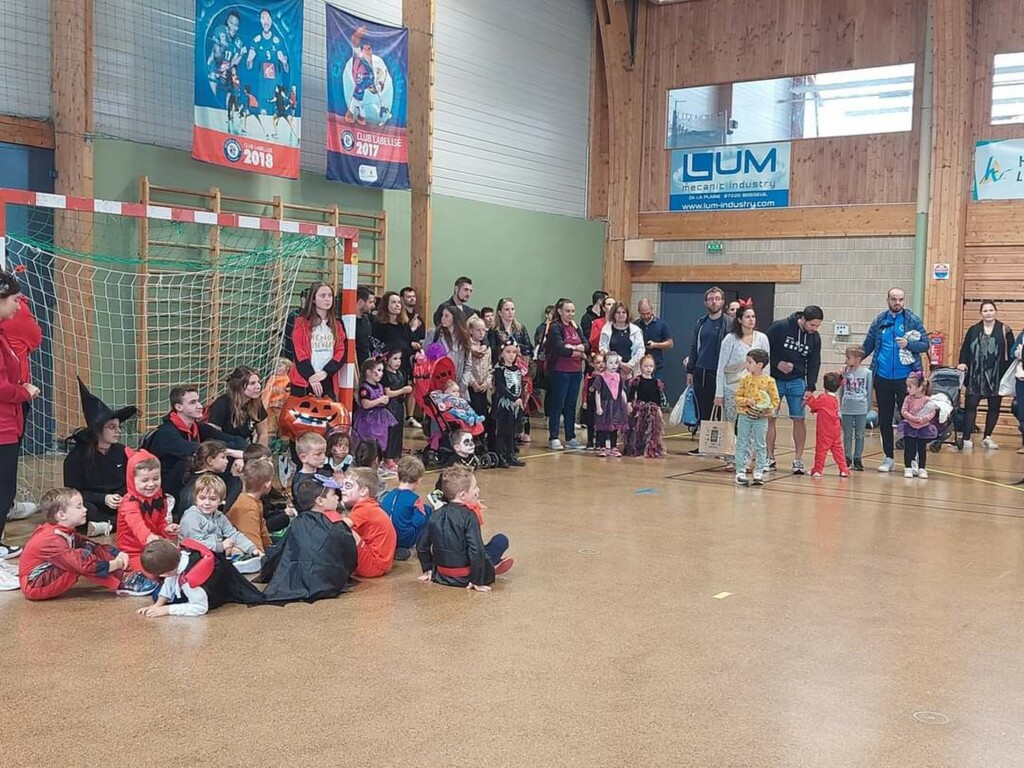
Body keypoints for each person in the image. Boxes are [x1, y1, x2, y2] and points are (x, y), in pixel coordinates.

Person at [14, 488, 158, 598]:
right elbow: (83, 565)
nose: (85, 509)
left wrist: (118, 554)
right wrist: (115, 564)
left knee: (87, 548)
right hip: (34, 584)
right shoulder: (51, 539)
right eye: (79, 507)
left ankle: (125, 575)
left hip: (46, 573)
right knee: (81, 561)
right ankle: (122, 584)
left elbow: (91, 545)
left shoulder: (61, 530)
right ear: (62, 515)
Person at [257, 474, 358, 604]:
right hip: (328, 583)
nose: (337, 497)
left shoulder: (297, 522)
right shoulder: (336, 524)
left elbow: (283, 552)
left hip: (296, 581)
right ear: (320, 501)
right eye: (333, 494)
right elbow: (350, 557)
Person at [862, 288, 930, 473]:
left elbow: (925, 344)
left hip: (907, 380)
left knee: (910, 419)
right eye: (893, 299)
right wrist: (853, 362)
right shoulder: (879, 321)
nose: (897, 302)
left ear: (904, 301)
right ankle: (888, 457)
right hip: (883, 377)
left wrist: (909, 344)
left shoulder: (912, 320)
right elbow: (867, 345)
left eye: (900, 299)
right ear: (888, 300)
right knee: (884, 418)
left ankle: (912, 459)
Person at [0, 268, 41, 560]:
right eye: (15, 300)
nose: (19, 306)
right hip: (3, 426)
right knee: (3, 489)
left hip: (7, 421)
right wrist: (24, 391)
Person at [63, 378, 138, 536]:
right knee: (82, 510)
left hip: (119, 502)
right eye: (112, 427)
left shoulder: (122, 452)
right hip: (94, 503)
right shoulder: (76, 457)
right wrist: (104, 498)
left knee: (139, 502)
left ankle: (108, 525)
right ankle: (115, 524)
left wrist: (120, 497)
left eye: (119, 427)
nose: (118, 431)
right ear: (98, 431)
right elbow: (73, 492)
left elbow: (130, 481)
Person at [416, 466, 509, 590]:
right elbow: (476, 550)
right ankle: (492, 565)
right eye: (474, 487)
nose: (478, 489)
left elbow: (421, 546)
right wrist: (477, 580)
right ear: (463, 495)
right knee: (500, 540)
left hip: (441, 575)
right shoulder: (469, 516)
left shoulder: (435, 514)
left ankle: (492, 565)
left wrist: (428, 569)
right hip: (465, 577)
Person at [144, 386, 244, 500]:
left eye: (198, 401)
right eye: (193, 402)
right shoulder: (166, 432)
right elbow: (192, 449)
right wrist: (230, 452)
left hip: (189, 481)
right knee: (194, 459)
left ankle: (223, 502)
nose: (200, 406)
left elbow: (238, 440)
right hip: (167, 488)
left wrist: (239, 457)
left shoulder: (198, 427)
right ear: (179, 407)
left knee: (225, 462)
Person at [137, 537, 265, 618]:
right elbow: (171, 579)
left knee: (157, 594)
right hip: (218, 578)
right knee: (159, 595)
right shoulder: (184, 553)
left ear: (165, 574)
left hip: (210, 594)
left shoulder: (191, 583)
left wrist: (167, 609)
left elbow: (200, 608)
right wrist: (158, 605)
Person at [765, 306, 824, 474]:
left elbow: (814, 363)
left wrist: (810, 387)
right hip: (775, 380)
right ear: (803, 319)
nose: (814, 329)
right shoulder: (780, 327)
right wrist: (777, 363)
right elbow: (763, 349)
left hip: (797, 381)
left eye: (817, 326)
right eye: (812, 325)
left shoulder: (814, 337)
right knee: (771, 418)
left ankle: (798, 459)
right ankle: (769, 457)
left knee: (799, 419)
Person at [714, 303, 770, 468]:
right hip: (733, 387)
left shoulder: (762, 338)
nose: (751, 320)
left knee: (751, 423)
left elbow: (767, 366)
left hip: (755, 390)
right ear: (739, 319)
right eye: (747, 317)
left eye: (753, 317)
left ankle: (746, 459)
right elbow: (721, 366)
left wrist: (766, 389)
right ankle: (731, 458)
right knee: (731, 423)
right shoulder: (730, 339)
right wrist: (719, 393)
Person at [957, 301, 1014, 449]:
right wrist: (962, 363)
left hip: (997, 376)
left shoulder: (1005, 329)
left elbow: (1011, 352)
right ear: (981, 313)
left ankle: (987, 437)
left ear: (995, 311)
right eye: (985, 311)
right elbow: (965, 349)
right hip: (975, 376)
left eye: (990, 310)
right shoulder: (973, 330)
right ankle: (966, 438)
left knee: (994, 407)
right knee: (970, 406)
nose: (988, 313)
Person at [178, 474, 262, 570]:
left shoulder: (219, 516)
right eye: (202, 498)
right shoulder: (191, 516)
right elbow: (195, 543)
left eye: (213, 499)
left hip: (213, 553)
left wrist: (252, 548)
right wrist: (221, 546)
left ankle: (238, 561)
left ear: (221, 500)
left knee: (236, 547)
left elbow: (233, 534)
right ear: (195, 498)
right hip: (192, 557)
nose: (207, 503)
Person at [116, 449, 180, 571]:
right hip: (131, 552)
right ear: (131, 479)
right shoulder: (129, 503)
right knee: (155, 573)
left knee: (177, 564)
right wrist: (148, 537)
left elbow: (160, 522)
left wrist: (166, 528)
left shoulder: (159, 497)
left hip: (153, 547)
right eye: (145, 480)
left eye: (156, 478)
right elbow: (137, 525)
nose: (151, 484)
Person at [685, 287, 729, 453]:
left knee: (721, 411)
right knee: (704, 410)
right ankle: (705, 445)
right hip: (701, 371)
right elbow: (694, 347)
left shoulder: (729, 323)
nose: (714, 302)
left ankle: (722, 445)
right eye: (711, 299)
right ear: (706, 302)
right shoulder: (701, 323)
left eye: (717, 298)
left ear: (722, 301)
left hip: (720, 373)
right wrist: (690, 370)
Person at [288, 282, 347, 401]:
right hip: (304, 380)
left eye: (330, 295)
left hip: (327, 379)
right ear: (313, 299)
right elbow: (299, 352)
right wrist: (311, 376)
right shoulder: (300, 322)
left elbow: (341, 351)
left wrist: (326, 372)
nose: (327, 299)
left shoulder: (337, 324)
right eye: (322, 295)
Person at [545, 298, 589, 450]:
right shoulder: (555, 327)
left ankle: (570, 437)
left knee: (571, 405)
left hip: (575, 372)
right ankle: (554, 437)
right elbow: (560, 348)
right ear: (560, 311)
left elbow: (586, 344)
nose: (570, 314)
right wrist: (578, 352)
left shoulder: (575, 327)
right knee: (558, 404)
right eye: (567, 311)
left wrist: (574, 348)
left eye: (572, 311)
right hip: (560, 371)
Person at [733, 349, 780, 487]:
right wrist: (746, 401)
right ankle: (740, 471)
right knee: (742, 443)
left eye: (750, 362)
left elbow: (775, 400)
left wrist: (767, 409)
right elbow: (737, 397)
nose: (747, 365)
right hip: (744, 416)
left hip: (761, 418)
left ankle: (759, 471)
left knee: (760, 444)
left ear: (760, 364)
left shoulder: (769, 381)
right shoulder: (745, 379)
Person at [340, 467, 396, 578]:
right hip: (380, 564)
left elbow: (340, 526)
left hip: (374, 565)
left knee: (343, 529)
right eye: (342, 485)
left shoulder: (364, 508)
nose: (342, 489)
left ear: (363, 491)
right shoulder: (370, 505)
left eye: (348, 486)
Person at [380, 455, 429, 560]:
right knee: (427, 511)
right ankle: (420, 545)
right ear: (419, 480)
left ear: (398, 477)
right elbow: (419, 521)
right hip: (405, 539)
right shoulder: (415, 499)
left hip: (387, 536)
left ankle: (393, 547)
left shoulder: (387, 496)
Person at [177, 439, 242, 516]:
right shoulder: (209, 483)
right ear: (210, 460)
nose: (226, 461)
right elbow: (225, 509)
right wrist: (237, 480)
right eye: (223, 457)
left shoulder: (192, 479)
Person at [206, 366, 269, 446]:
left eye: (259, 382)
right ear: (239, 386)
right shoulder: (222, 404)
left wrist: (260, 452)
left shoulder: (256, 403)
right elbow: (211, 437)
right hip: (224, 447)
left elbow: (263, 433)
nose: (258, 386)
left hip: (244, 447)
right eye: (252, 383)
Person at [805, 372, 850, 478]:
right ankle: (844, 469)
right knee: (838, 450)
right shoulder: (834, 399)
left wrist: (809, 398)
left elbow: (814, 405)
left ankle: (817, 470)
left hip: (824, 430)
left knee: (821, 450)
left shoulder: (823, 397)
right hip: (835, 429)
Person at [227, 459, 275, 556]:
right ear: (267, 485)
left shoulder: (254, 502)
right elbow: (253, 541)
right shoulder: (248, 508)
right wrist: (265, 557)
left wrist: (271, 549)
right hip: (245, 550)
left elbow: (263, 532)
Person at [491, 340, 526, 467]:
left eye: (514, 352)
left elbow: (520, 386)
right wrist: (513, 398)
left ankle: (510, 454)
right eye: (508, 352)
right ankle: (499, 455)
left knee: (512, 431)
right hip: (503, 405)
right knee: (502, 431)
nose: (511, 355)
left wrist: (519, 398)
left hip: (515, 405)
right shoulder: (499, 370)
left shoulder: (517, 370)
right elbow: (501, 387)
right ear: (502, 354)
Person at [353, 357, 398, 453]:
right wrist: (379, 400)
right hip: (367, 420)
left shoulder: (380, 386)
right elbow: (365, 404)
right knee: (368, 443)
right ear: (369, 372)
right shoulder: (364, 388)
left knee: (380, 443)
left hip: (379, 420)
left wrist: (384, 401)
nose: (381, 373)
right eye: (378, 370)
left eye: (382, 371)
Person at [624, 355, 666, 458]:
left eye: (651, 366)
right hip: (640, 409)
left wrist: (659, 409)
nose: (648, 368)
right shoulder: (637, 380)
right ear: (641, 367)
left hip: (652, 410)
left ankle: (651, 449)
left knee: (652, 431)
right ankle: (637, 448)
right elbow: (631, 394)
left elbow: (658, 398)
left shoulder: (656, 382)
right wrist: (629, 404)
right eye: (646, 366)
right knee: (638, 430)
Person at [839, 347, 873, 471]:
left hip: (861, 407)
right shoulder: (845, 372)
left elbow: (869, 390)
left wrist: (867, 406)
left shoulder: (867, 373)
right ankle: (847, 457)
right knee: (847, 434)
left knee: (859, 434)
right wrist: (841, 404)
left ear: (858, 359)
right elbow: (841, 389)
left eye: (849, 358)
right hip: (847, 407)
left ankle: (857, 458)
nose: (846, 360)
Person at [899, 372, 938, 479]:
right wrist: (913, 418)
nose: (908, 389)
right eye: (907, 386)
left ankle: (922, 468)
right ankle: (908, 467)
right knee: (909, 448)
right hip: (909, 426)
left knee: (922, 449)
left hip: (923, 427)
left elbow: (932, 412)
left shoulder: (927, 400)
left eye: (910, 387)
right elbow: (904, 411)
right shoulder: (908, 399)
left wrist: (923, 419)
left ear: (920, 388)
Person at [427, 306, 472, 395]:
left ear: (455, 318)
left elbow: (468, 364)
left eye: (446, 316)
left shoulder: (464, 338)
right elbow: (426, 357)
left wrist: (462, 385)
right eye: (442, 315)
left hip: (458, 387)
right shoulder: (434, 334)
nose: (443, 318)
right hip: (438, 385)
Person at [593, 352, 629, 458]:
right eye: (611, 363)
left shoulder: (619, 376)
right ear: (605, 364)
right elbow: (597, 392)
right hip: (605, 405)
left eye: (616, 363)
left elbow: (621, 390)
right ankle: (602, 447)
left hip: (616, 406)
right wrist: (599, 407)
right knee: (603, 427)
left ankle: (613, 447)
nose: (614, 365)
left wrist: (625, 403)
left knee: (614, 427)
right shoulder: (601, 377)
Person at [382, 349, 412, 470]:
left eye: (399, 359)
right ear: (387, 360)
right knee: (391, 432)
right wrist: (403, 390)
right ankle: (388, 457)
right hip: (390, 406)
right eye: (395, 359)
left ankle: (396, 455)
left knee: (398, 432)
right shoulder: (386, 375)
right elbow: (388, 393)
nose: (398, 362)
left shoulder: (400, 373)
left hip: (399, 406)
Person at [372, 291, 415, 378]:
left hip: (403, 364)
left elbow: (410, 340)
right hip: (387, 366)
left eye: (399, 302)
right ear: (386, 305)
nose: (397, 305)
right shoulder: (379, 325)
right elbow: (376, 346)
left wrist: (414, 344)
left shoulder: (404, 324)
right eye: (393, 302)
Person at [400, 286, 425, 427]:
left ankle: (410, 416)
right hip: (401, 356)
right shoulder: (400, 317)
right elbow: (401, 337)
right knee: (400, 385)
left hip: (415, 357)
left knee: (413, 386)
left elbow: (421, 337)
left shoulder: (418, 317)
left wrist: (420, 344)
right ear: (402, 298)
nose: (412, 299)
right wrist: (411, 329)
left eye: (413, 296)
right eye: (408, 297)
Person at [599, 302, 645, 377]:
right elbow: (603, 348)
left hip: (632, 370)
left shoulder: (636, 330)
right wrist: (620, 364)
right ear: (613, 314)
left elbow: (641, 349)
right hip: (612, 370)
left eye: (623, 312)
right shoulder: (606, 329)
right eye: (618, 312)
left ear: (627, 314)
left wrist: (630, 365)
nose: (621, 315)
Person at [636, 299, 674, 384]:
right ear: (638, 312)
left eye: (648, 313)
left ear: (652, 310)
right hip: (639, 366)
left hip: (657, 366)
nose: (646, 316)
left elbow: (670, 343)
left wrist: (655, 345)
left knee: (657, 388)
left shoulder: (661, 324)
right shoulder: (635, 325)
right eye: (643, 314)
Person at [466, 316, 493, 430]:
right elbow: (466, 368)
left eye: (483, 330)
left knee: (484, 414)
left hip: (483, 386)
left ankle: (482, 436)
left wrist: (487, 382)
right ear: (471, 331)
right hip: (471, 386)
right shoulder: (467, 347)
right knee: (473, 413)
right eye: (478, 330)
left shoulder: (487, 348)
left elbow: (490, 367)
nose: (481, 333)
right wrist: (473, 383)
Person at [292, 432, 328, 500]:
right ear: (303, 458)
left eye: (324, 453)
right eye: (318, 454)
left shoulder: (326, 474)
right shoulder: (300, 481)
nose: (323, 457)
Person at [582, 352, 604, 451]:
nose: (600, 364)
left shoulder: (605, 376)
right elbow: (585, 390)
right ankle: (590, 441)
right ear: (593, 364)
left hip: (602, 403)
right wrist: (584, 401)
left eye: (602, 362)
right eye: (598, 362)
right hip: (591, 402)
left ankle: (599, 441)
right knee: (590, 422)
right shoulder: (589, 376)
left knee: (600, 422)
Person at [355, 286, 376, 367]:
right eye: (370, 302)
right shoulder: (350, 322)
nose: (373, 306)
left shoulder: (367, 320)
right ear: (360, 302)